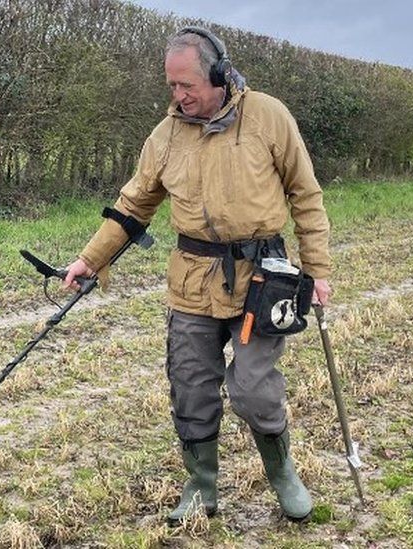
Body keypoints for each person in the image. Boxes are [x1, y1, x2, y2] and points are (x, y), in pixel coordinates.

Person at [63, 26, 332, 524]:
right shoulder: (165, 135)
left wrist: (315, 270)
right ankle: (200, 487)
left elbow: (306, 195)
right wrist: (90, 260)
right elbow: (133, 205)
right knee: (190, 387)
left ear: (219, 75)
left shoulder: (268, 117)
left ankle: (283, 475)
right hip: (191, 282)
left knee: (253, 391)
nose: (179, 96)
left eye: (187, 85)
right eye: (171, 86)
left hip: (261, 279)